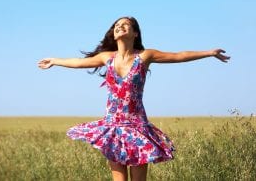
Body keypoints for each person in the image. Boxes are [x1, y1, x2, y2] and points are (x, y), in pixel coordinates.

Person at [38, 16, 230, 181]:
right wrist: (55, 61)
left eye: (125, 24)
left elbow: (178, 56)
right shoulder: (107, 58)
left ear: (135, 33)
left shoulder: (145, 56)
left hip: (137, 128)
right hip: (112, 128)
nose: (120, 27)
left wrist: (209, 53)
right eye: (116, 26)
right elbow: (79, 62)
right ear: (114, 34)